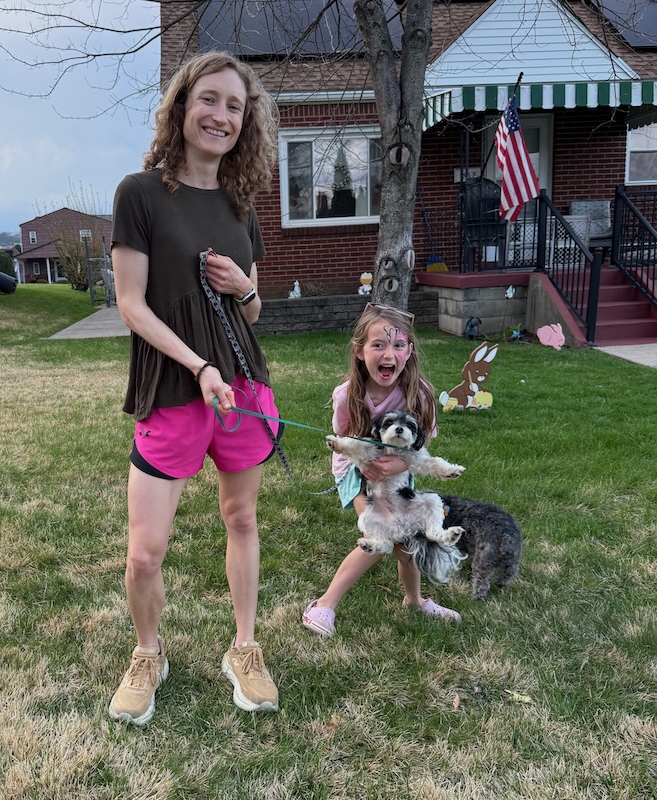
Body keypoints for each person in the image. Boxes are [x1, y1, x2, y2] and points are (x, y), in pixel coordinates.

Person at [107, 51, 280, 726]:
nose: (221, 116)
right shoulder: (140, 194)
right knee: (144, 551)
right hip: (175, 392)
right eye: (209, 100)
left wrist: (249, 289)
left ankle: (244, 647)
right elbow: (131, 305)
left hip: (241, 389)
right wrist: (198, 367)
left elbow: (253, 311)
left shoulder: (241, 206)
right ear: (182, 107)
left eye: (235, 106)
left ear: (246, 122)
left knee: (241, 519)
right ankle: (148, 652)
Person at [302, 303, 462, 638]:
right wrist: (367, 467)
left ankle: (415, 601)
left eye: (397, 345)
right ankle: (324, 605)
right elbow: (343, 443)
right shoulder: (347, 395)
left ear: (409, 351)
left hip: (401, 473)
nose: (388, 353)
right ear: (360, 351)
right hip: (355, 472)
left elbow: (423, 444)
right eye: (378, 345)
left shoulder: (420, 395)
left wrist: (401, 462)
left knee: (406, 540)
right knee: (384, 532)